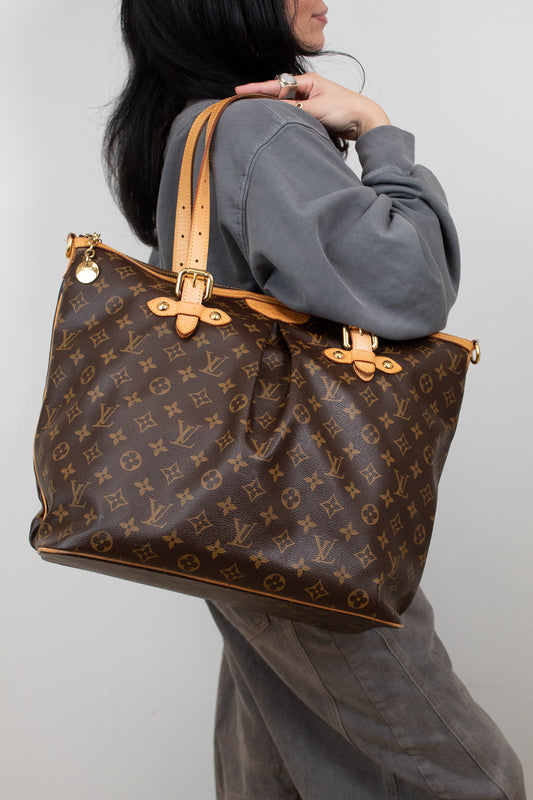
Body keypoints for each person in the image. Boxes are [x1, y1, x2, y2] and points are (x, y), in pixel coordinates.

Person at [105, 1, 526, 797]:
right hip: (302, 529)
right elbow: (409, 286)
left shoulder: (194, 126)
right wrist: (377, 132)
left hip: (225, 518)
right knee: (469, 778)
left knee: (283, 769)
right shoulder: (255, 130)